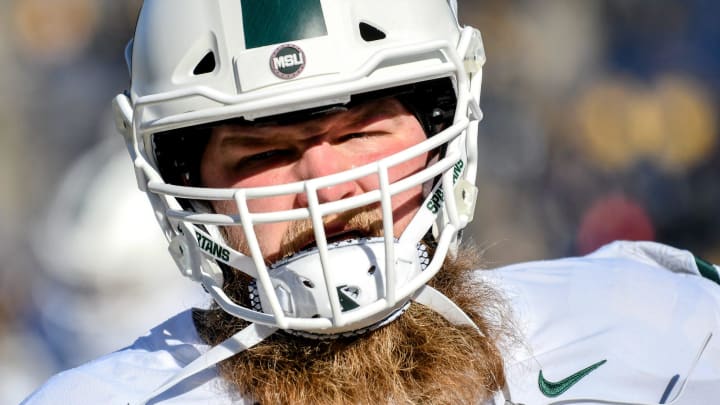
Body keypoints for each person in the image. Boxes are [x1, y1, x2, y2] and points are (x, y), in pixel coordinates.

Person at [23, 1, 720, 404]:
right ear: (186, 189)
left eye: (361, 132)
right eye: (265, 153)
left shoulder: (655, 328)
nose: (328, 182)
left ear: (446, 122)